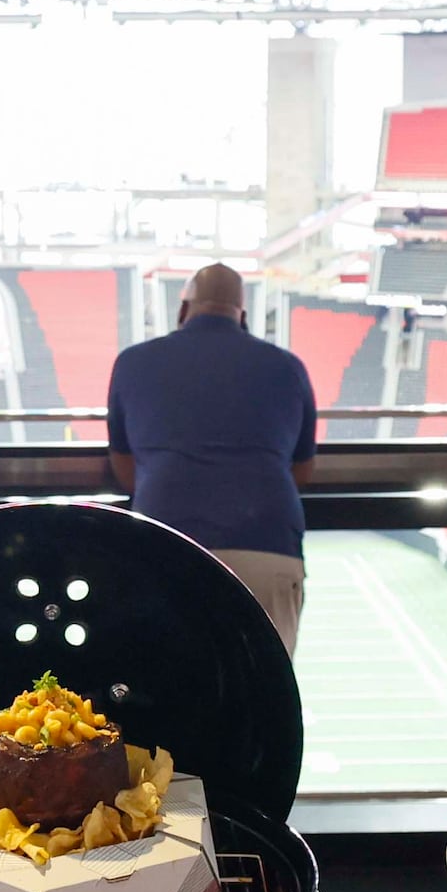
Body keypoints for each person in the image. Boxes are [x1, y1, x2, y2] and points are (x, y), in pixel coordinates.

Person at [105, 263, 317, 652]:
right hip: (267, 545)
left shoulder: (133, 362)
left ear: (183, 310)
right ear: (243, 316)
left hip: (164, 541)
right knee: (264, 680)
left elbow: (124, 465)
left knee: (166, 678)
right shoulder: (289, 367)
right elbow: (301, 469)